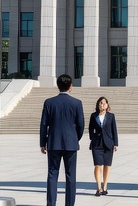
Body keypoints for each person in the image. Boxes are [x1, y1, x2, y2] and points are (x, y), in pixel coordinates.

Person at [40, 73, 86, 206]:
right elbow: (81, 124)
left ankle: (51, 203)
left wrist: (43, 142)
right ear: (70, 87)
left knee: (52, 174)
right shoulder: (77, 103)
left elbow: (44, 124)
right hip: (71, 143)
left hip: (53, 143)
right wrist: (75, 138)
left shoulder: (49, 102)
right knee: (71, 176)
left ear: (58, 86)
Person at [88, 96, 119, 196]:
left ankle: (105, 186)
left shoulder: (111, 116)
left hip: (108, 144)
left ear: (107, 105)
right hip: (97, 144)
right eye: (101, 103)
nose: (103, 104)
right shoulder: (93, 116)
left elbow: (114, 130)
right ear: (98, 105)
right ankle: (98, 187)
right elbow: (90, 129)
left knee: (107, 166)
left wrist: (115, 143)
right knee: (97, 166)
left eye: (105, 103)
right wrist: (93, 138)